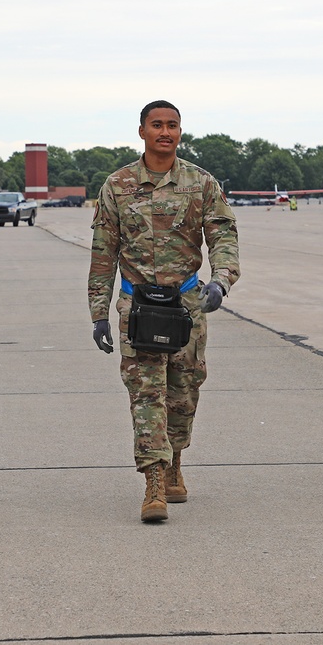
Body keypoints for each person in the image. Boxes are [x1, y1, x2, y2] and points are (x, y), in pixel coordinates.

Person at [89, 100, 240, 522]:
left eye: (172, 125)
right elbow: (104, 253)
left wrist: (221, 281)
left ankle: (175, 459)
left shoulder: (201, 183)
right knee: (146, 394)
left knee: (184, 393)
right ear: (141, 131)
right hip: (137, 305)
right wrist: (99, 313)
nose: (165, 132)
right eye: (157, 125)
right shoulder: (118, 185)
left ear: (179, 131)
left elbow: (224, 237)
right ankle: (154, 480)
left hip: (187, 305)